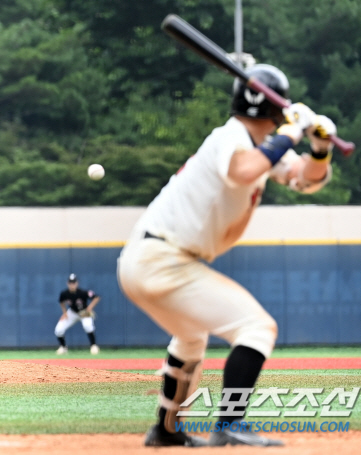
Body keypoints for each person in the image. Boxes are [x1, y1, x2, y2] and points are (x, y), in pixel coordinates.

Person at [117, 64, 336, 447]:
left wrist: (320, 150)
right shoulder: (230, 137)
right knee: (256, 327)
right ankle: (231, 424)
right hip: (161, 257)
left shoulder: (259, 146)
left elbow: (305, 179)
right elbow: (242, 171)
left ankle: (166, 430)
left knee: (190, 338)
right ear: (272, 110)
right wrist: (290, 131)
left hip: (149, 259)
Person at [54, 273, 101, 355]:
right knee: (58, 329)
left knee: (88, 326)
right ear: (67, 283)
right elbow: (61, 302)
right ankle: (63, 347)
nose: (72, 284)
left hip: (84, 312)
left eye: (74, 282)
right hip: (72, 312)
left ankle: (93, 346)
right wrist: (65, 313)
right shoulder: (64, 293)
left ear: (77, 283)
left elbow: (96, 297)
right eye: (70, 283)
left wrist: (89, 308)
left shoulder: (83, 292)